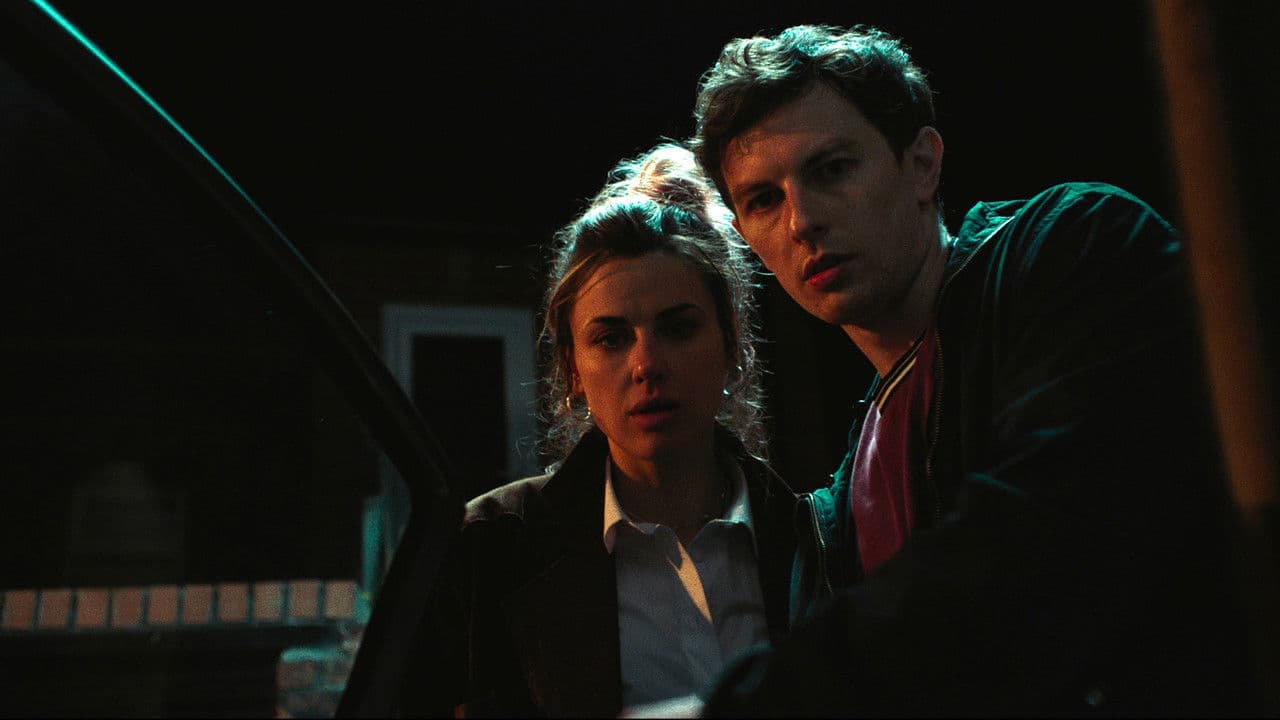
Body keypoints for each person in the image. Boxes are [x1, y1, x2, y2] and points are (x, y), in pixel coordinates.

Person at [684, 23, 1262, 717]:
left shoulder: (1074, 247)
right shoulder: (856, 473)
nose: (801, 220)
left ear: (922, 164)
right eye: (763, 200)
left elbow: (1043, 544)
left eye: (831, 169)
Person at [396, 143, 801, 717]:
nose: (646, 365)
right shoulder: (487, 549)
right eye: (611, 339)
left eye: (678, 329)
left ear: (731, 341)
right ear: (572, 369)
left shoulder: (808, 538)